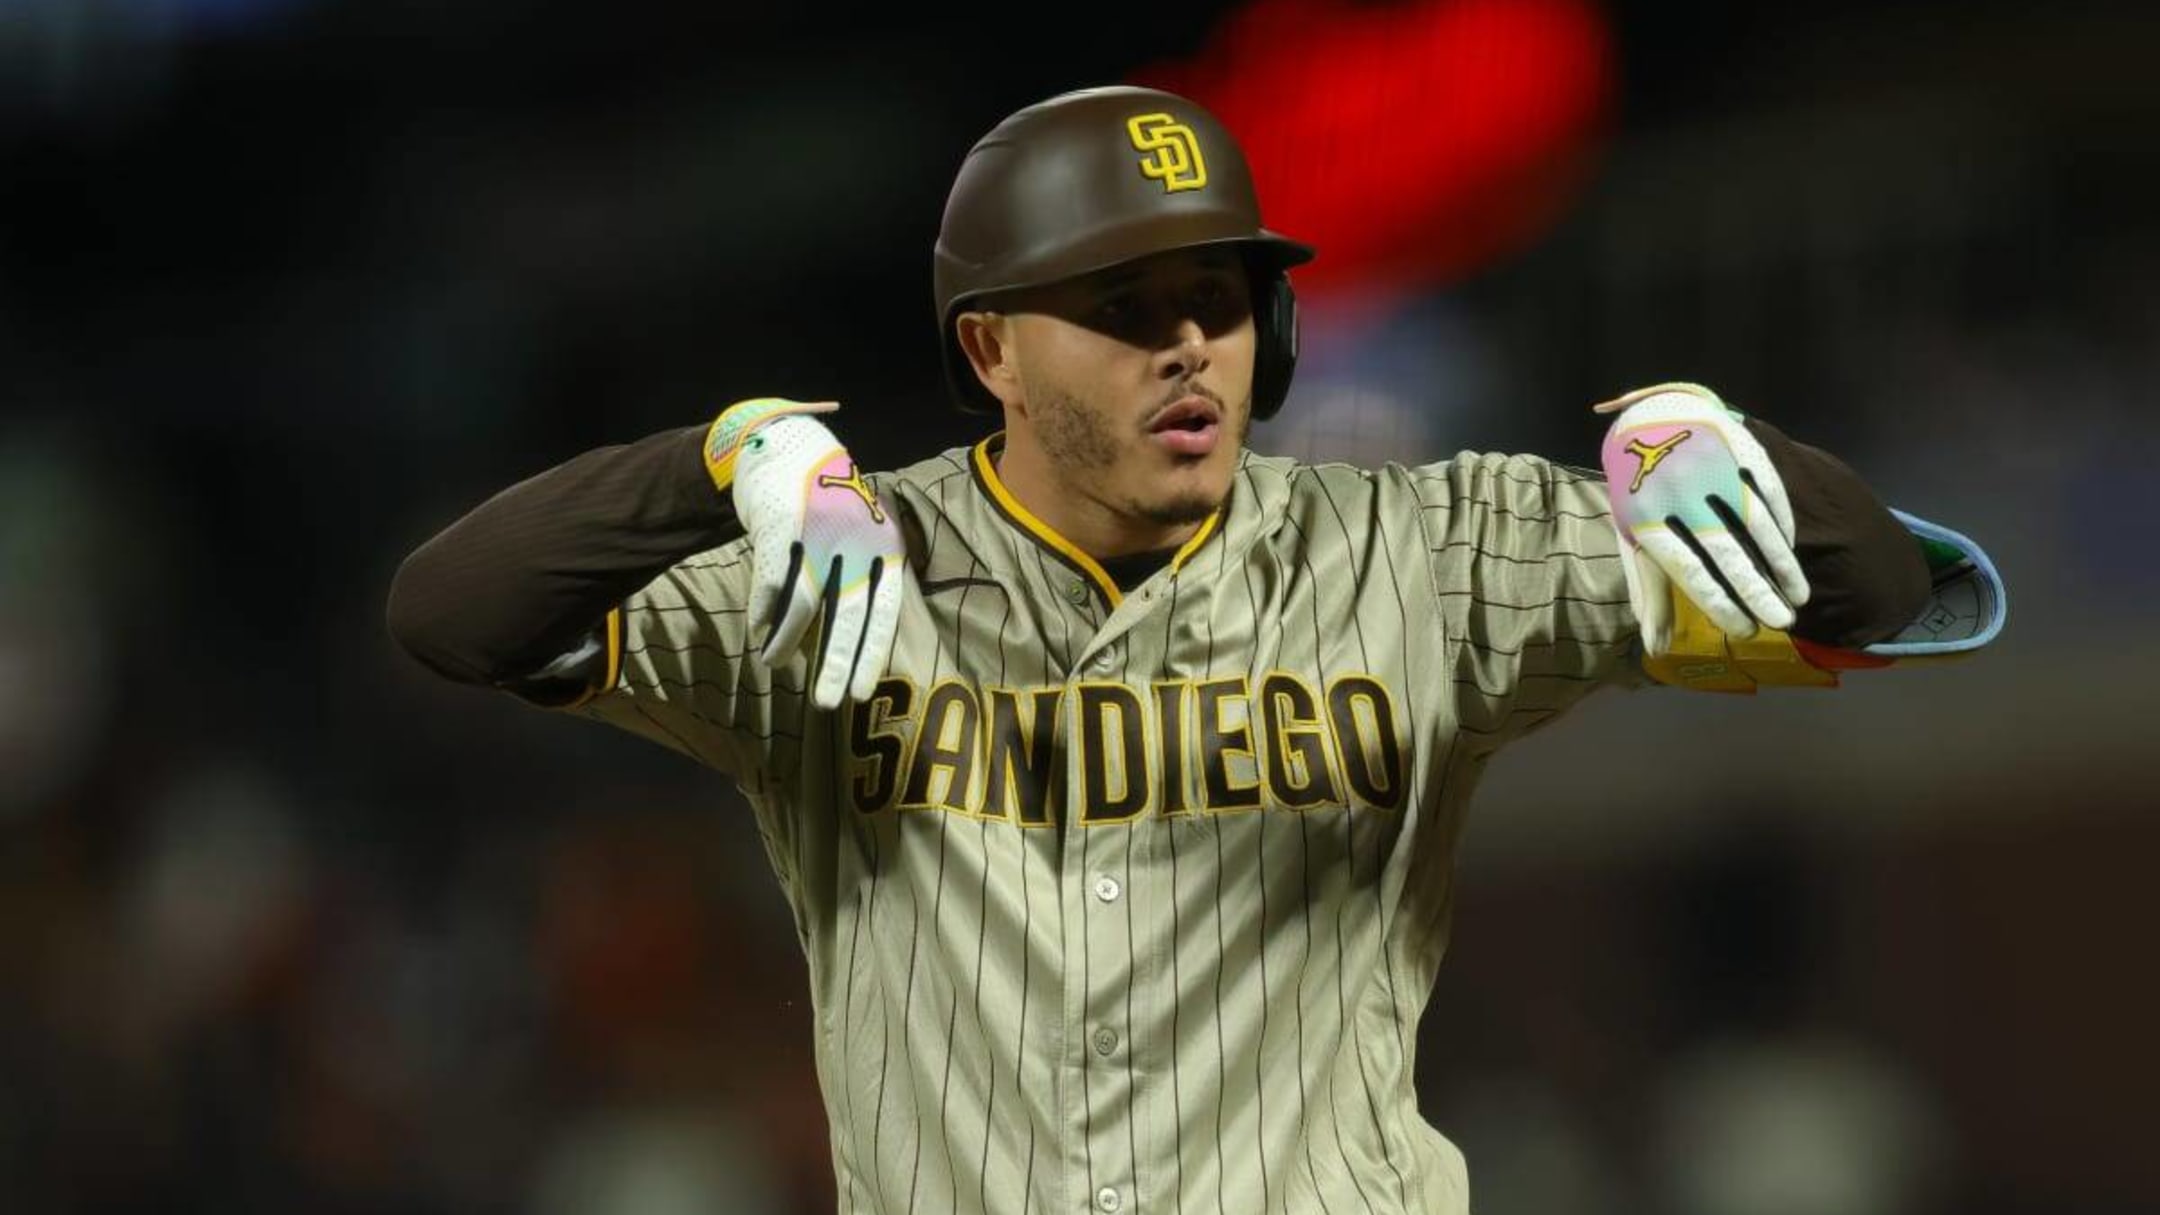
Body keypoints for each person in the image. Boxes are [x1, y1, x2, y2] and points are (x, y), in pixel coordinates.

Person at [386, 85, 2003, 1215]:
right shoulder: (842, 572)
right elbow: (452, 617)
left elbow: (1888, 600)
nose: (1188, 346)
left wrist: (1721, 445)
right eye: (1126, 303)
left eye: (1220, 300)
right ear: (991, 351)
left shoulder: (1425, 555)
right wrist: (724, 457)